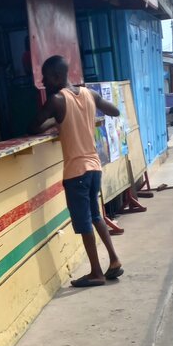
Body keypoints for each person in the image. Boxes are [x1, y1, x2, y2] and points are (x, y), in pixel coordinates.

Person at [33, 55, 123, 288]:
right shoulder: (88, 94)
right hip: (94, 168)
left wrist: (55, 122)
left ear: (55, 76)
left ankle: (96, 272)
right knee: (96, 216)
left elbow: (33, 126)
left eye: (45, 77)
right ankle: (113, 260)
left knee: (84, 223)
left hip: (76, 172)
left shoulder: (56, 100)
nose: (43, 82)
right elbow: (114, 111)